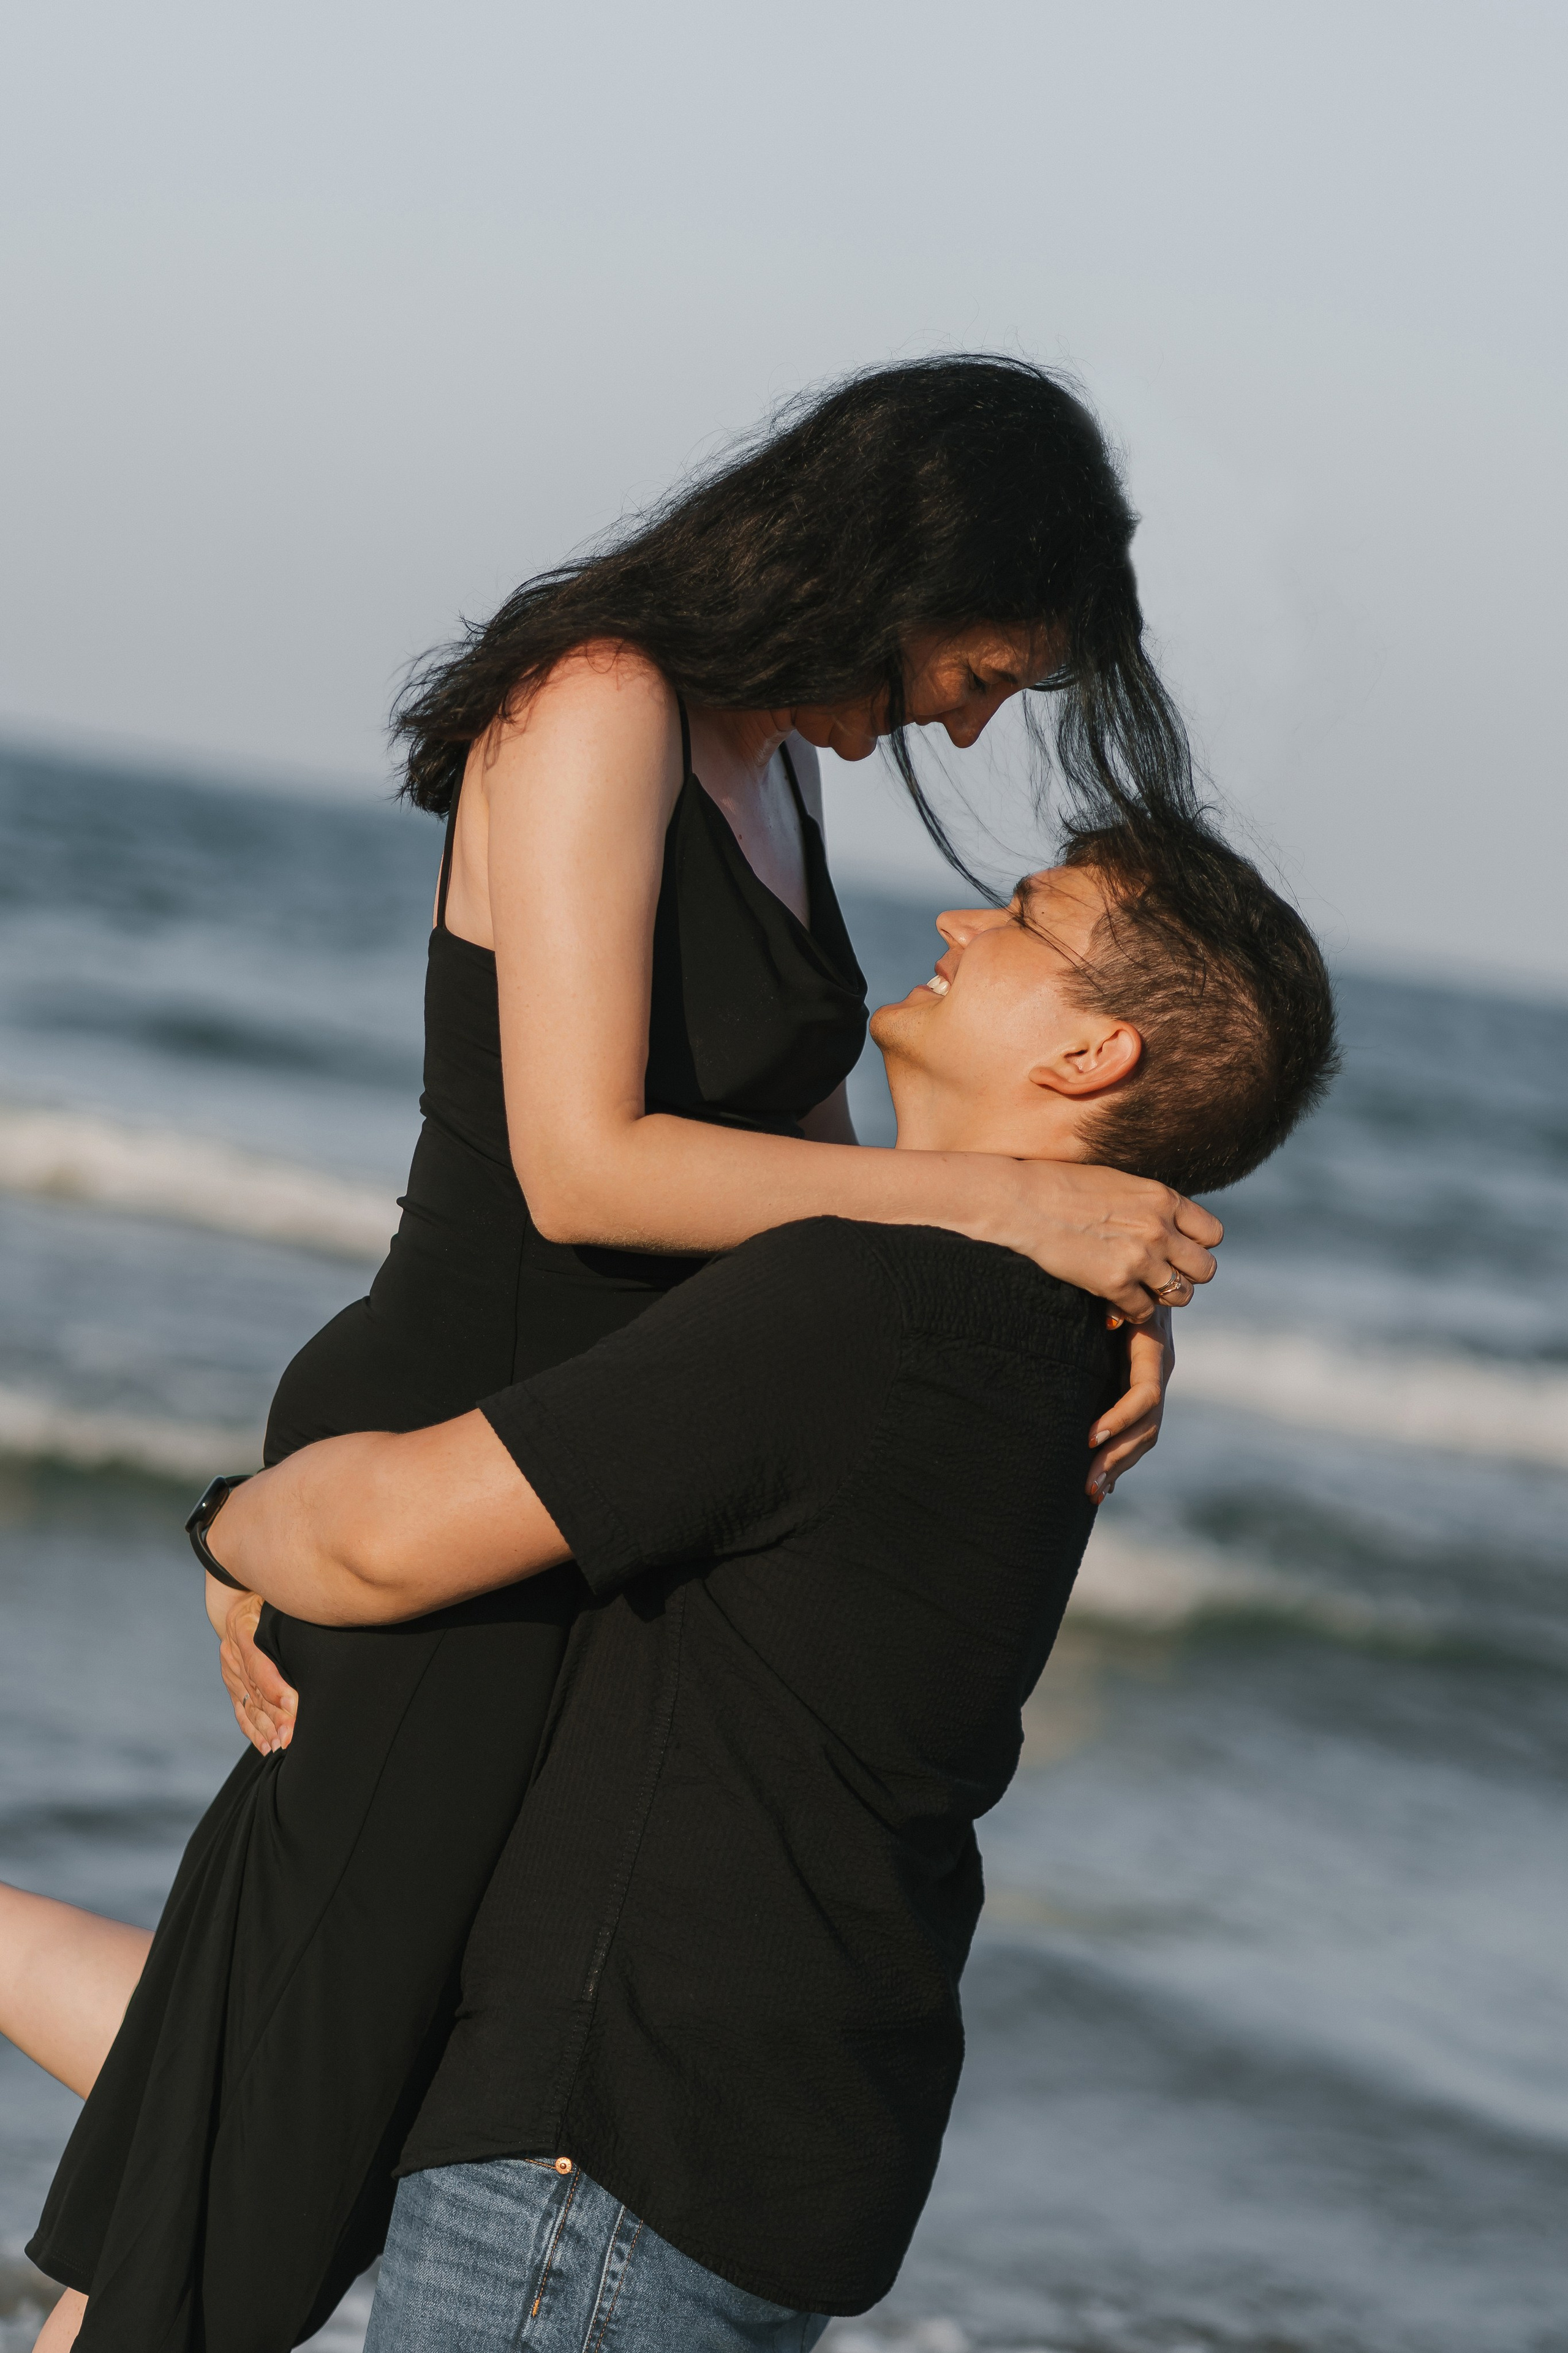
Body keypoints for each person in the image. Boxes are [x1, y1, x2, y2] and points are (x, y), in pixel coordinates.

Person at [5, 356, 1222, 2352]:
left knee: (327, 2063)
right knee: (295, 2122)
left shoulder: (766, 772)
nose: (963, 721)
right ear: (888, 561)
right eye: (979, 668)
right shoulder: (603, 702)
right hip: (459, 1421)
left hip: (602, 1470)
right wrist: (1009, 1206)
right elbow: (586, 1171)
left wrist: (1092, 1291)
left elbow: (812, 1186)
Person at [185, 810, 1338, 2349]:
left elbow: (372, 1538)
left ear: (1089, 1058)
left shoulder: (860, 1305)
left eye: (1018, 916)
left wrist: (227, 1523)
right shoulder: (1056, 1342)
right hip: (781, 2134)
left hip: (605, 2152)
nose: (951, 924)